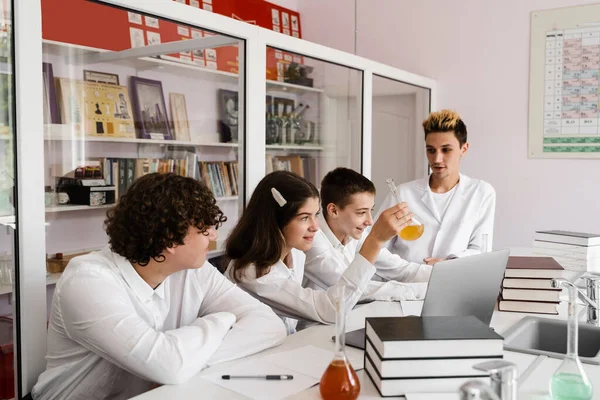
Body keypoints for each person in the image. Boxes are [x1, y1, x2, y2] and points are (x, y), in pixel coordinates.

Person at [32, 173, 286, 400]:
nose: (214, 237)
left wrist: (187, 359)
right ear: (170, 239)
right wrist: (221, 320)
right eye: (204, 229)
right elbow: (169, 366)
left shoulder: (191, 271)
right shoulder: (88, 281)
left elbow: (271, 326)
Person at [224, 171, 425, 335]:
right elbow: (330, 309)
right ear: (275, 220)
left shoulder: (297, 255)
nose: (315, 226)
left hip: (285, 348)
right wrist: (375, 241)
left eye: (315, 215)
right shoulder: (251, 271)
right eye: (304, 217)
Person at [376, 109, 496, 266]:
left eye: (446, 150)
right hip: (404, 285)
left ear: (464, 149)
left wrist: (447, 264)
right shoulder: (403, 193)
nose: (437, 158)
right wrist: (410, 272)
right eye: (431, 150)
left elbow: (481, 250)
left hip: (454, 281)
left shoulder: (481, 193)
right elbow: (376, 245)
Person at [303, 167, 431, 300]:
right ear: (333, 210)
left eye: (371, 210)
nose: (370, 221)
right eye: (361, 212)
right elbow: (355, 289)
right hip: (320, 320)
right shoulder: (311, 240)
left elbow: (400, 269)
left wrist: (444, 277)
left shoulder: (352, 233)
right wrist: (426, 290)